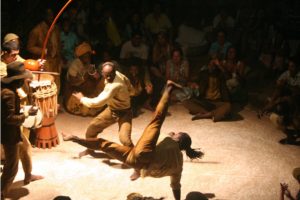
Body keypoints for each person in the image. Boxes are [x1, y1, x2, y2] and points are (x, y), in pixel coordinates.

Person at [62, 80, 204, 200]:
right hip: (137, 161)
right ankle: (75, 139)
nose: (175, 133)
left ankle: (169, 88)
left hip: (143, 154)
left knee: (157, 119)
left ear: (179, 138)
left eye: (177, 133)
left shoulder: (170, 141)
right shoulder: (178, 164)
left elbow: (162, 135)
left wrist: (171, 133)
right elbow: (176, 186)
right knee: (103, 144)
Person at [1, 35, 44, 185]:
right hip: (4, 113)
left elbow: (25, 65)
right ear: (4, 53)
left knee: (23, 146)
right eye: (13, 55)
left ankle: (27, 174)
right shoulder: (3, 72)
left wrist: (35, 64)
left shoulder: (14, 59)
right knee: (11, 163)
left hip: (11, 111)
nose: (15, 57)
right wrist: (25, 111)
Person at [72, 61, 134, 158]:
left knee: (125, 139)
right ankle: (91, 149)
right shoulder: (118, 74)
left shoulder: (114, 86)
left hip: (124, 113)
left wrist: (82, 98)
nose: (108, 78)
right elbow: (129, 84)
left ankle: (135, 159)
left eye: (110, 75)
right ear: (103, 73)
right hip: (112, 110)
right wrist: (130, 92)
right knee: (92, 129)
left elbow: (98, 102)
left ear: (114, 72)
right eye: (106, 75)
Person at [1, 62, 37, 197]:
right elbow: (8, 118)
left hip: (12, 131)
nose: (23, 82)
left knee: (25, 146)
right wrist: (25, 115)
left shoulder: (7, 88)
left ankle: (28, 174)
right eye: (22, 80)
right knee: (11, 167)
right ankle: (1, 193)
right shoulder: (8, 94)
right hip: (8, 132)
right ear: (16, 80)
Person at [183, 56, 232, 122]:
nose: (212, 67)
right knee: (186, 102)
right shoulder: (204, 73)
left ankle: (206, 114)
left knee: (228, 106)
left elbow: (228, 77)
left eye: (214, 65)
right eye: (210, 65)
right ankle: (211, 114)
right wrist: (193, 84)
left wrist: (219, 65)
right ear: (208, 65)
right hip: (205, 101)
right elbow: (194, 81)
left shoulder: (221, 75)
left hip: (218, 102)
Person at [64, 42, 104, 116]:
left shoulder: (88, 63)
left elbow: (93, 76)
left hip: (84, 92)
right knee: (86, 109)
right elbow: (72, 81)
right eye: (86, 55)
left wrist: (96, 77)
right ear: (81, 56)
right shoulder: (75, 64)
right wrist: (85, 78)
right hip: (73, 95)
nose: (88, 57)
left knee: (103, 81)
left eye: (89, 55)